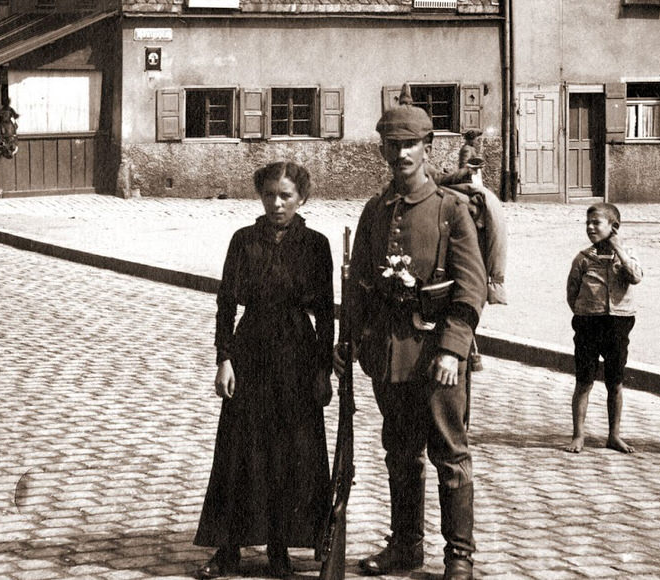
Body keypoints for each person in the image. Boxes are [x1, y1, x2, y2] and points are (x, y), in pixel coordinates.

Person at [345, 103, 485, 580]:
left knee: (450, 454)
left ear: (427, 147)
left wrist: (453, 348)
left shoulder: (451, 209)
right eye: (393, 144)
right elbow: (361, 283)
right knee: (400, 454)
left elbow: (471, 288)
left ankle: (459, 555)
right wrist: (354, 340)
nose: (401, 152)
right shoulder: (374, 210)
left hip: (437, 355)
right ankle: (405, 546)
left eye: (410, 144)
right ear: (383, 148)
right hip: (390, 354)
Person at [194, 161, 333, 579]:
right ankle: (229, 547)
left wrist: (323, 369)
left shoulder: (316, 245)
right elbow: (225, 303)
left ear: (301, 199)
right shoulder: (243, 241)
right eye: (269, 194)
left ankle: (280, 550)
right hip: (250, 350)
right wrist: (224, 358)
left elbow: (326, 313)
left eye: (285, 196)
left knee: (291, 452)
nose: (276, 203)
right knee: (240, 450)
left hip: (297, 354)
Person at [564, 203, 643, 454]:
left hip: (618, 324)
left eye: (596, 223)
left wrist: (619, 248)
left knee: (615, 382)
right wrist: (586, 310)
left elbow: (636, 277)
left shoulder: (627, 254)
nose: (590, 227)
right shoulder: (583, 258)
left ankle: (614, 435)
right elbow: (572, 292)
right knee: (584, 381)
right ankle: (578, 434)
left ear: (614, 227)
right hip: (588, 324)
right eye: (587, 223)